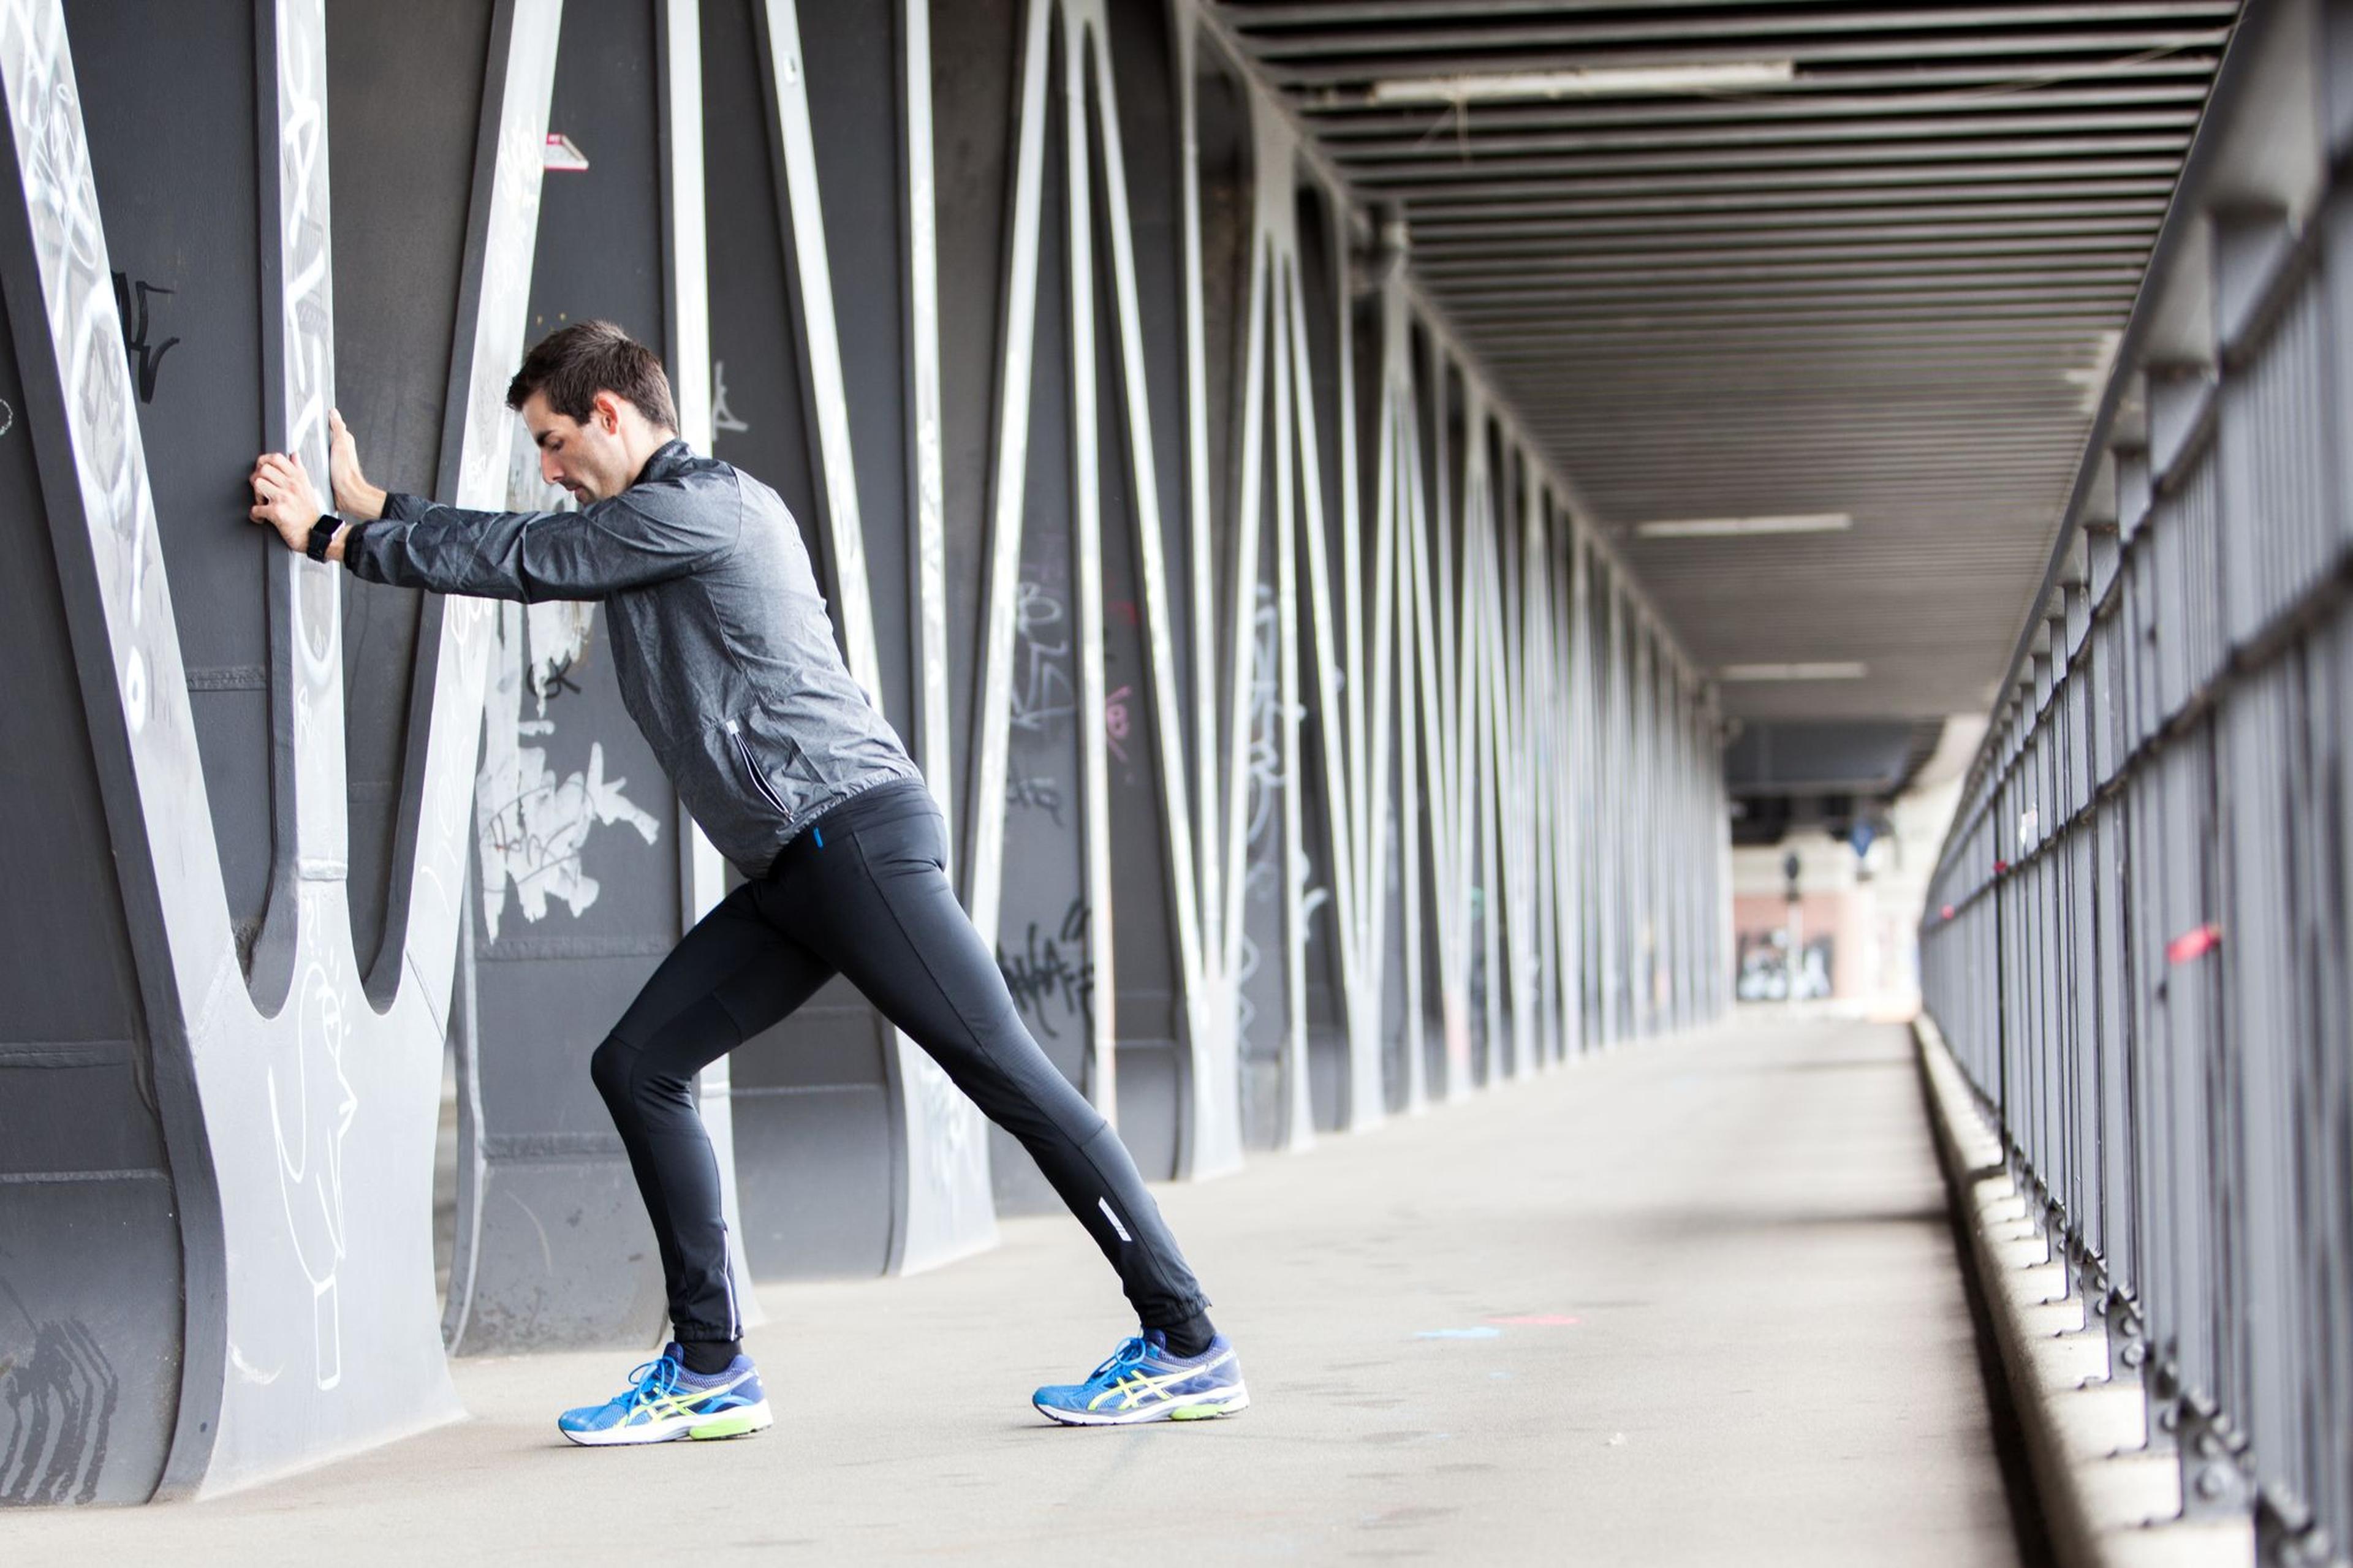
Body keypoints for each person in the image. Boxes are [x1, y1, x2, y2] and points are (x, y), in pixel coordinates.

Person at [248, 320, 1246, 1444]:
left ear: (612, 418)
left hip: (850, 841)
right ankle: (710, 1366)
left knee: (1008, 1074)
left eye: (554, 439)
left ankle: (1186, 1339)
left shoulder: (702, 505)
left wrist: (338, 537)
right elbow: (533, 541)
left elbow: (530, 561)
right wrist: (384, 509)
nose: (549, 468)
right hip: (797, 865)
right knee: (638, 1064)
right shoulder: (650, 518)